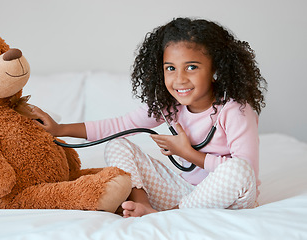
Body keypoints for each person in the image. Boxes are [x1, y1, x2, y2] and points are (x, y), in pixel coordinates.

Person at [30, 17, 267, 217]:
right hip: (184, 192)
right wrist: (59, 129)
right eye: (170, 68)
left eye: (192, 67)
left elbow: (247, 171)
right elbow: (120, 125)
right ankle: (143, 205)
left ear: (216, 70)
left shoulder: (236, 110)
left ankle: (171, 216)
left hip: (227, 199)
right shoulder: (170, 105)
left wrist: (189, 155)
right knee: (119, 143)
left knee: (239, 170)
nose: (180, 79)